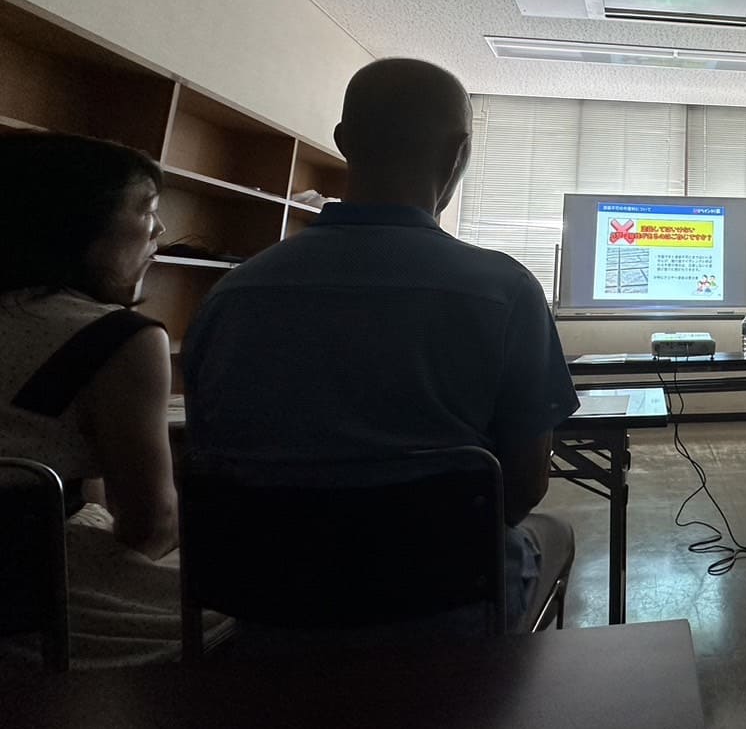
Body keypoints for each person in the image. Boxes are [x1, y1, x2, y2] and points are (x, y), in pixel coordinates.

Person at [184, 59, 578, 635]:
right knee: (554, 530)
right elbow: (521, 489)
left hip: (268, 607)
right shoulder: (505, 290)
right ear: (460, 153)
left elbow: (211, 456)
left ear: (344, 143)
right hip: (448, 603)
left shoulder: (232, 293)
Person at [0, 132, 226, 666]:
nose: (161, 229)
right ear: (79, 222)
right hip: (38, 599)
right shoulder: (119, 339)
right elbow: (150, 526)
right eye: (148, 209)